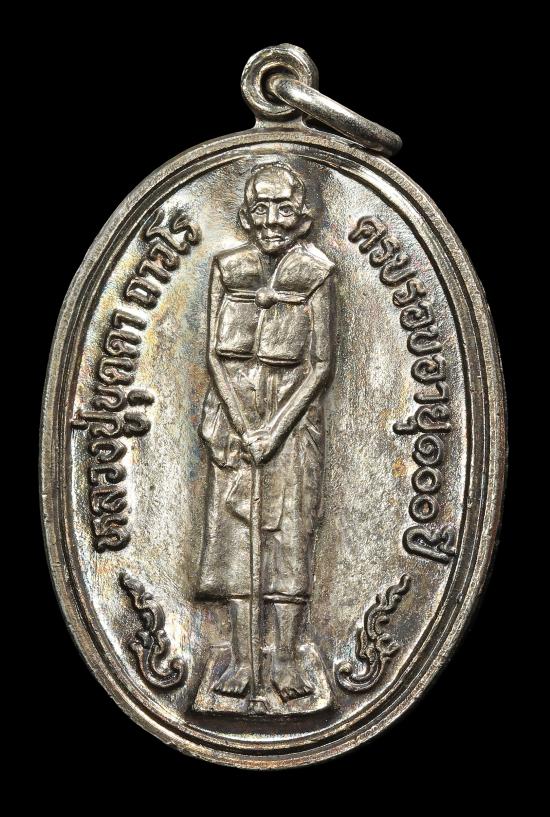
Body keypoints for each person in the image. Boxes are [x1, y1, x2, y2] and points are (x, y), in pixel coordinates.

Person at [197, 161, 336, 702]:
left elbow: (320, 366)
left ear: (302, 216)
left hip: (291, 424)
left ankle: (284, 659)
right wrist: (240, 423)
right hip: (233, 421)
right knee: (235, 535)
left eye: (283, 208)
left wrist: (273, 432)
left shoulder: (317, 273)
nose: (272, 219)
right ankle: (239, 658)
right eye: (262, 208)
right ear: (247, 215)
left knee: (288, 537)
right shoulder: (227, 268)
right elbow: (213, 355)